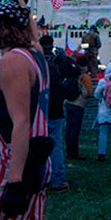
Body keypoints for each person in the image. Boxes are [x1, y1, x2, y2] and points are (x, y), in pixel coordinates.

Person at [0, 2, 51, 219]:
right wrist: (24, 8)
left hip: (11, 162)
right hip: (37, 160)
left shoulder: (13, 61)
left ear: (2, 28)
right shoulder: (36, 54)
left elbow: (21, 122)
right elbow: (34, 38)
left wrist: (15, 181)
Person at [39, 35, 70, 191]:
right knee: (55, 144)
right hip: (56, 109)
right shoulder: (58, 63)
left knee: (38, 144)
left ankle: (39, 178)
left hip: (40, 109)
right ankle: (57, 179)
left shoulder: (37, 63)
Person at [64, 53, 92, 160]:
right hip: (78, 104)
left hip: (68, 102)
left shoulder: (72, 73)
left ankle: (69, 151)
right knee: (75, 130)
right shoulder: (84, 77)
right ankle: (74, 153)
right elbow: (88, 92)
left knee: (69, 129)